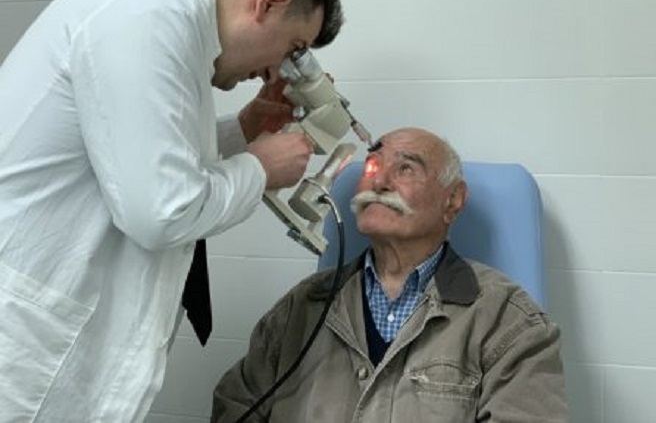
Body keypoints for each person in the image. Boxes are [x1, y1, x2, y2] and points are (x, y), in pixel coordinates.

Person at [0, 0, 343, 422]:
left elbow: (137, 155)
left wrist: (245, 130)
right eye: (294, 48)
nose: (277, 72)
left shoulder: (164, 12)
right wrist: (261, 168)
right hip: (27, 341)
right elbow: (163, 212)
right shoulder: (150, 14)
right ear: (269, 3)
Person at [211, 127, 568, 422]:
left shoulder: (508, 322)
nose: (378, 181)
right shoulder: (299, 309)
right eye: (372, 166)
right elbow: (235, 409)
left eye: (406, 169)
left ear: (453, 200)